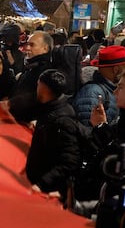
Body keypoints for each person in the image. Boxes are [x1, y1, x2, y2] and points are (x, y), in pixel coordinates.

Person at [26, 69, 91, 201]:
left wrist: (41, 184)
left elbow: (69, 160)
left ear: (43, 88)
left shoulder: (62, 121)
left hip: (47, 191)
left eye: (38, 84)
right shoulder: (52, 110)